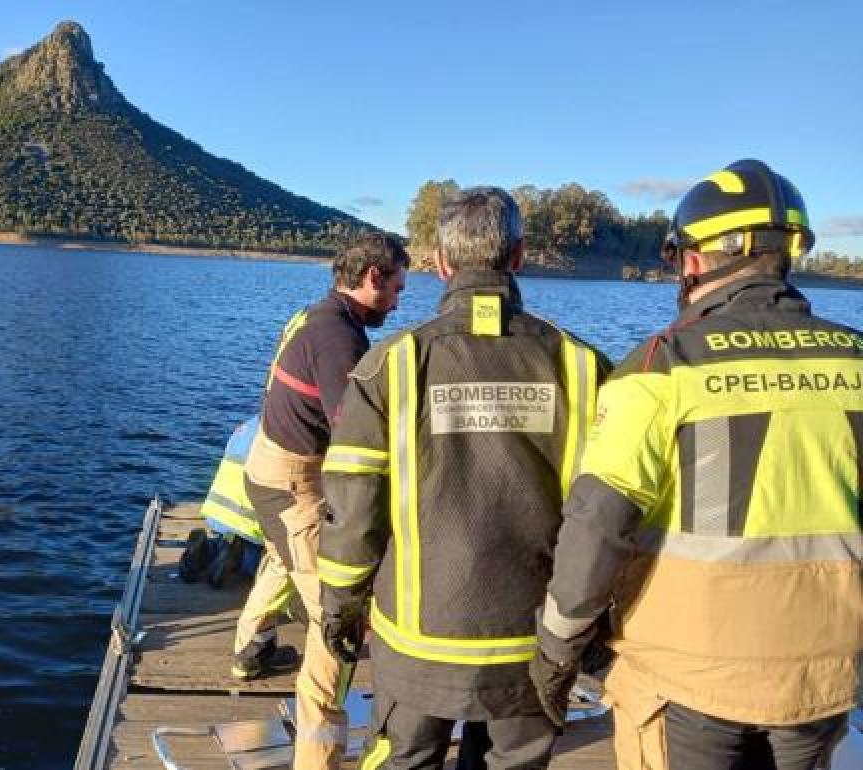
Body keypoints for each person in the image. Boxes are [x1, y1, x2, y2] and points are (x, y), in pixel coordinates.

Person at [531, 159, 863, 770]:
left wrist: (557, 645)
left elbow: (598, 520)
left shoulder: (663, 366)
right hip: (825, 670)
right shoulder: (856, 359)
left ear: (691, 260)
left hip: (691, 676)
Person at [319, 187, 609, 770]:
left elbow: (352, 513)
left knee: (403, 760)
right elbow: (607, 515)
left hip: (418, 645)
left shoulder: (391, 365)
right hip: (536, 642)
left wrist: (340, 611)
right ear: (520, 257)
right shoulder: (582, 366)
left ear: (440, 264)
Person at [232, 232, 409, 770]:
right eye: (397, 288)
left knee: (284, 558)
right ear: (372, 276)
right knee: (337, 622)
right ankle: (318, 754)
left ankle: (249, 649)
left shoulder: (314, 316)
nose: (400, 301)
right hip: (294, 484)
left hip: (266, 472)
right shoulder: (342, 342)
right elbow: (353, 440)